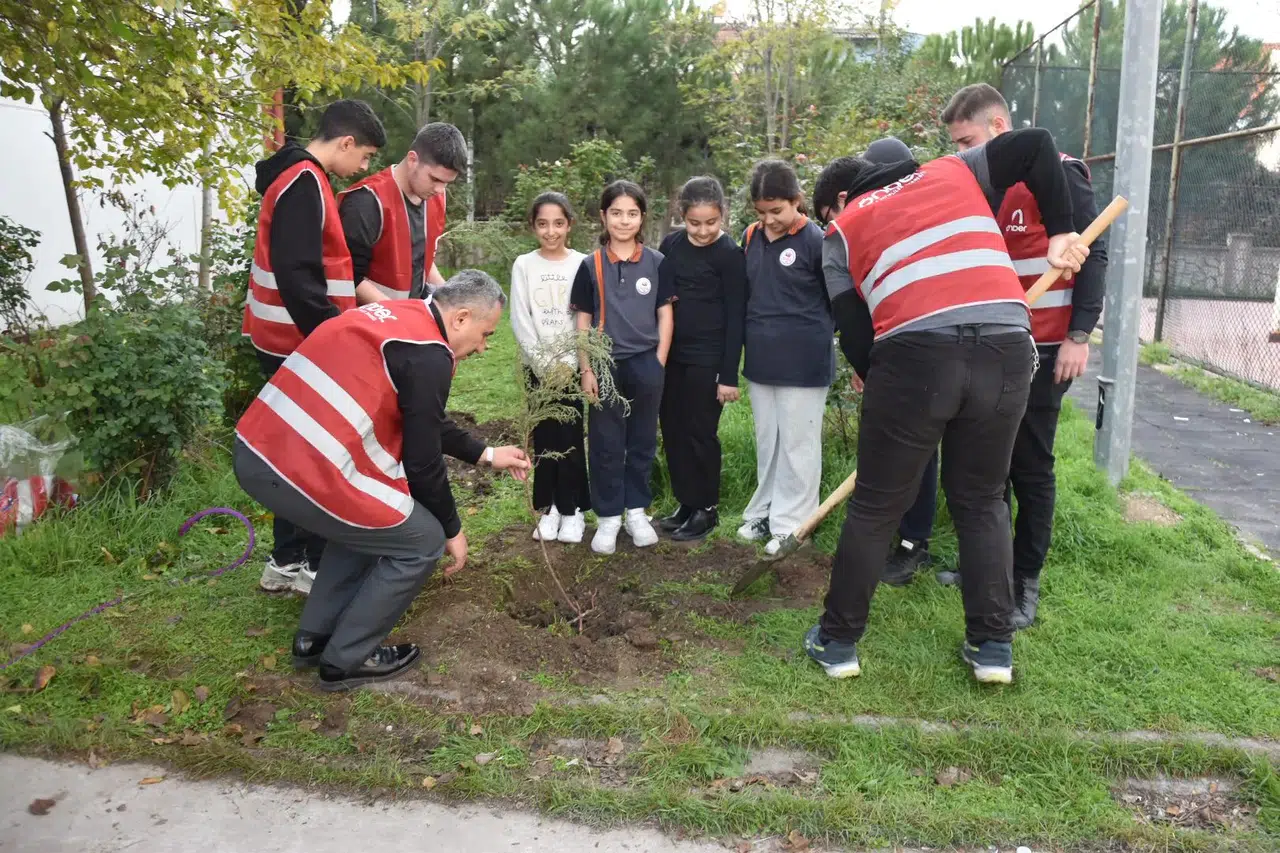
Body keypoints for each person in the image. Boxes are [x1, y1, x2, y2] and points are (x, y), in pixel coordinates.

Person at [806, 128, 1088, 684]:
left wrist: (885, 387)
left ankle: (837, 643)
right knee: (982, 500)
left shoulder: (838, 233)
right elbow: (1033, 143)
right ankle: (992, 648)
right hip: (1008, 343)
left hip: (915, 355)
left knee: (876, 505)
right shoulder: (953, 170)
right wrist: (1062, 231)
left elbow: (857, 337)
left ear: (842, 199)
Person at [233, 270, 531, 692]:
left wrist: (485, 454)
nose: (483, 348)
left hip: (260, 448)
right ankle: (347, 660)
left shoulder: (403, 317)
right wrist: (452, 530)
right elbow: (423, 460)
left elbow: (425, 420)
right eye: (486, 335)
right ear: (461, 318)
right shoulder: (430, 354)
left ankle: (314, 638)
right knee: (419, 539)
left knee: (370, 528)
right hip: (298, 466)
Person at [883, 85, 1108, 632]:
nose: (961, 153)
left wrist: (1080, 333)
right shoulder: (983, 180)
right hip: (995, 342)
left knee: (1030, 464)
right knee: (989, 463)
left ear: (999, 127)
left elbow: (1091, 250)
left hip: (1048, 342)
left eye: (967, 140)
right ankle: (989, 569)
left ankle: (1024, 581)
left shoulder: (1061, 171)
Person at [241, 99, 387, 596]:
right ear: (346, 143)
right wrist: (334, 336)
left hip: (279, 335)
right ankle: (316, 568)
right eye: (364, 156)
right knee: (317, 455)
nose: (363, 168)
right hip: (297, 339)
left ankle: (286, 560)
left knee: (292, 453)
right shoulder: (305, 182)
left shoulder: (296, 175)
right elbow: (298, 275)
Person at [569, 180, 674, 555]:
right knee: (605, 441)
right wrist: (586, 368)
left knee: (642, 439)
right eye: (616, 213)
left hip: (645, 362)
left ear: (642, 217)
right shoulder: (589, 265)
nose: (624, 221)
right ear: (603, 216)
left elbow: (665, 314)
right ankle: (609, 516)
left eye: (632, 213)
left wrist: (658, 361)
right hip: (603, 365)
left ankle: (636, 511)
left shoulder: (657, 262)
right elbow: (582, 322)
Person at [737, 160, 835, 556]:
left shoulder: (818, 241)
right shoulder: (749, 238)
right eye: (761, 213)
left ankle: (793, 525)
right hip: (761, 357)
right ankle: (764, 513)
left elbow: (836, 302)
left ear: (797, 201)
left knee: (799, 445)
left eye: (776, 211)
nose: (769, 221)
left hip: (804, 360)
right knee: (769, 441)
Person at [656, 177, 747, 542]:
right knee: (674, 431)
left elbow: (736, 316)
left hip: (708, 359)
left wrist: (728, 375)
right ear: (682, 216)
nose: (704, 230)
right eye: (695, 223)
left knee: (700, 433)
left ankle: (706, 508)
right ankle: (686, 501)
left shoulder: (729, 255)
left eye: (712, 222)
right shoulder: (670, 246)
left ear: (722, 215)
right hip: (671, 356)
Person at [509, 191, 590, 544]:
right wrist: (543, 365)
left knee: (570, 437)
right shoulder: (524, 265)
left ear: (569, 224)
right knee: (544, 437)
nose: (551, 231)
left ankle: (572, 511)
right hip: (538, 368)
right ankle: (549, 508)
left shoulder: (583, 264)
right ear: (533, 227)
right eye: (543, 224)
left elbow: (586, 318)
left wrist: (570, 364)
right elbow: (520, 318)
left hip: (573, 366)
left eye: (558, 223)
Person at [340, 122, 467, 303]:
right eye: (435, 179)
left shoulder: (436, 198)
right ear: (412, 160)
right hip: (370, 322)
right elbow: (349, 276)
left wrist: (448, 296)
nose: (440, 190)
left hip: (409, 315)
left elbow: (423, 262)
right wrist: (398, 317)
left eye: (447, 183)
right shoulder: (366, 201)